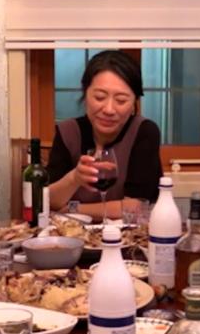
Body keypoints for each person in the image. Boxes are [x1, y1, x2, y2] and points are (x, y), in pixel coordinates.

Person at [47, 50, 163, 221]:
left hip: (128, 235)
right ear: (85, 94)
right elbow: (49, 201)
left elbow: (136, 207)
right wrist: (74, 178)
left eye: (121, 100)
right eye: (100, 97)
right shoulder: (68, 132)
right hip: (73, 235)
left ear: (134, 102)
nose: (109, 109)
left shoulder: (144, 131)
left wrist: (74, 208)